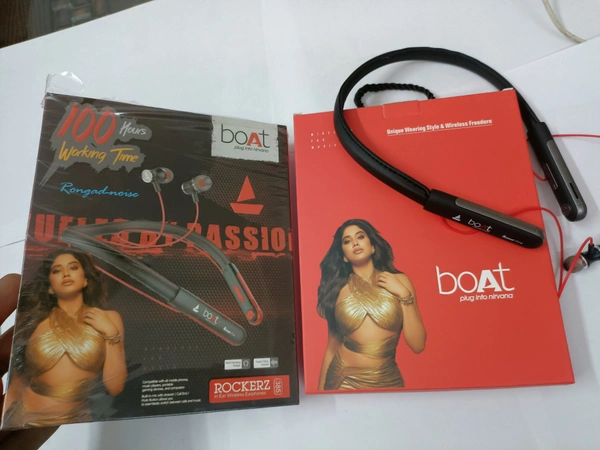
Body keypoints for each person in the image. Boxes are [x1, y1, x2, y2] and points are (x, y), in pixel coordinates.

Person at [2, 248, 127, 430]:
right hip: (21, 417)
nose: (66, 273)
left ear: (85, 279)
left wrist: (110, 333)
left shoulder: (109, 319)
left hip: (76, 423)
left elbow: (115, 387)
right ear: (50, 286)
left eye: (73, 267)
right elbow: (16, 383)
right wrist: (5, 420)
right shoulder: (35, 322)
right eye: (57, 270)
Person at [317, 218, 426, 390]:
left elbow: (418, 345)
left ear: (372, 245)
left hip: (387, 378)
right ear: (344, 255)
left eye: (360, 237)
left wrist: (404, 294)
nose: (355, 243)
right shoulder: (337, 291)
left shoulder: (399, 281)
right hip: (342, 379)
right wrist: (321, 394)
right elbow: (332, 346)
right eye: (347, 241)